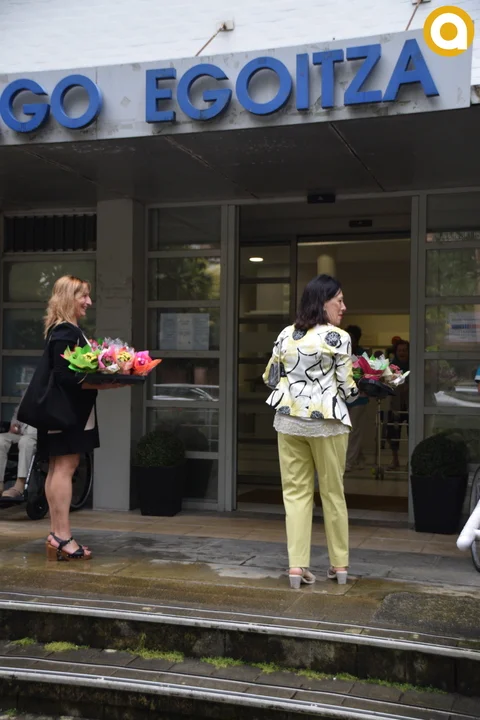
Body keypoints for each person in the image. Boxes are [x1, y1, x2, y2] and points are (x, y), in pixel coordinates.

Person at [263, 274, 360, 588]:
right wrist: (371, 388)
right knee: (333, 494)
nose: (343, 307)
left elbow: (269, 378)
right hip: (328, 424)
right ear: (323, 302)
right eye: (339, 301)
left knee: (295, 494)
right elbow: (347, 388)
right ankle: (339, 565)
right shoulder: (339, 337)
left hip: (289, 421)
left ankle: (296, 567)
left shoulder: (285, 334)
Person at [36, 275, 121, 561]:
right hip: (68, 412)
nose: (89, 302)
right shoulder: (65, 332)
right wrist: (106, 383)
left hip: (62, 412)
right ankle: (62, 537)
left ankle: (56, 535)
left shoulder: (61, 329)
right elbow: (65, 378)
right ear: (68, 298)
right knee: (65, 468)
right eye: (83, 296)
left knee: (58, 468)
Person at [344, 325, 369, 473]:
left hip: (359, 397)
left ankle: (349, 462)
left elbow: (369, 374)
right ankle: (359, 458)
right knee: (346, 429)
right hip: (343, 397)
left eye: (352, 338)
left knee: (353, 430)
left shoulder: (362, 355)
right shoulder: (340, 352)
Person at [0, 402, 37, 498]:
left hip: (39, 436)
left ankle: (20, 484)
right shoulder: (27, 396)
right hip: (21, 433)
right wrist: (14, 424)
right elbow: (17, 413)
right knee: (1, 439)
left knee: (26, 441)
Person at [387, 339, 410, 469]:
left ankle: (410, 460)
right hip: (395, 404)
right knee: (393, 433)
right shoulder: (391, 366)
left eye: (405, 350)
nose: (402, 353)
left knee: (412, 432)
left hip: (411, 404)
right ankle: (395, 460)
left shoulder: (415, 364)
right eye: (400, 350)